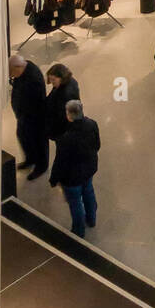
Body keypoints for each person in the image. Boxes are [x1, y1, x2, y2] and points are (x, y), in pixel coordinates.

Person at [49, 99, 100, 237]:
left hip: (72, 178)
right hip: (89, 169)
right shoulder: (92, 124)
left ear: (69, 115)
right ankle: (92, 219)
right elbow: (97, 145)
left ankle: (79, 230)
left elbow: (59, 162)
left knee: (76, 202)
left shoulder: (65, 139)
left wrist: (53, 179)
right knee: (89, 192)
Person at [8, 53, 48, 179]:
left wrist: (23, 115)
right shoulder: (24, 67)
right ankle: (30, 159)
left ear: (18, 67)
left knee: (38, 142)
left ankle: (41, 166)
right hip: (24, 117)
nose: (11, 76)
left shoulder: (33, 79)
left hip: (34, 118)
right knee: (23, 136)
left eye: (12, 73)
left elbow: (33, 104)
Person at [45, 64, 80, 143]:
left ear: (61, 77)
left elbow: (63, 117)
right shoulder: (63, 83)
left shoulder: (66, 93)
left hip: (63, 133)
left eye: (53, 80)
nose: (51, 82)